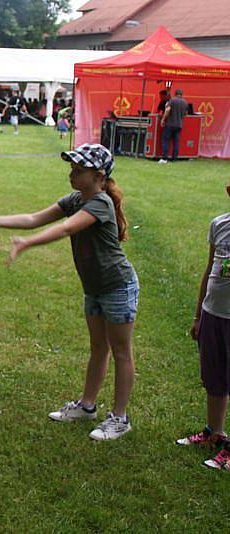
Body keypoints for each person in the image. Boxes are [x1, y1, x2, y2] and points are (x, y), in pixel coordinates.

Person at [0, 144, 138, 441]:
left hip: (117, 286)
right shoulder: (76, 199)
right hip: (94, 288)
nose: (71, 173)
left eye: (78, 170)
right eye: (71, 167)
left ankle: (120, 419)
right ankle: (87, 406)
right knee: (98, 348)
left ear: (98, 176)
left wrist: (27, 244)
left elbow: (67, 229)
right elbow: (33, 218)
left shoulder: (100, 204)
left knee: (120, 351)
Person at [176, 183, 230, 471]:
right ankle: (214, 431)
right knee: (214, 378)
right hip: (213, 313)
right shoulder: (219, 225)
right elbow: (210, 270)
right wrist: (198, 315)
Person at [159, 88, 189, 163]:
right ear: (181, 94)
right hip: (179, 125)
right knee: (176, 142)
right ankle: (174, 158)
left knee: (165, 140)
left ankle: (164, 158)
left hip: (170, 124)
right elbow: (186, 113)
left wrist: (163, 119)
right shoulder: (185, 102)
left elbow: (167, 110)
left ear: (175, 94)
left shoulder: (172, 100)